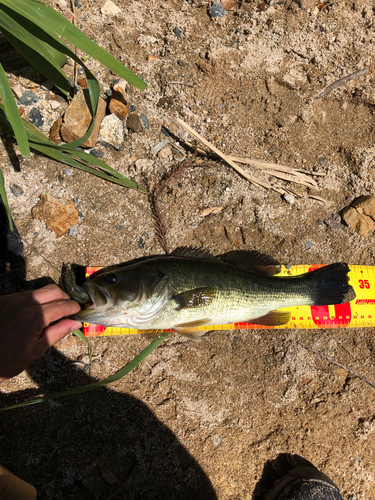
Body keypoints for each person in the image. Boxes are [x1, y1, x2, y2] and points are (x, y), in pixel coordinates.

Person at [0, 200, 346, 500]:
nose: (102, 286)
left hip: (253, 291)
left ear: (154, 285)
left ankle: (313, 289)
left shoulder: (169, 287)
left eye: (111, 281)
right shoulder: (157, 291)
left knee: (296, 292)